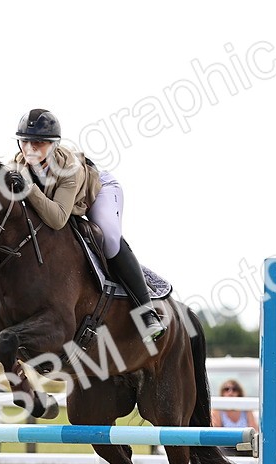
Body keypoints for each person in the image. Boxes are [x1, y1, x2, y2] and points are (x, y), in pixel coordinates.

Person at [9, 108, 166, 342]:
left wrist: (29, 189)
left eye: (39, 142)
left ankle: (147, 313)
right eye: (25, 142)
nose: (30, 148)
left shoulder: (69, 168)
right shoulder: (15, 166)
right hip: (63, 203)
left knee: (109, 237)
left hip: (97, 193)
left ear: (54, 144)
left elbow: (58, 218)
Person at [204, 380, 258, 464]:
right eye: (227, 389)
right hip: (225, 449)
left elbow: (255, 429)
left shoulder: (246, 409)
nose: (230, 392)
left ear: (239, 393)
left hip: (243, 448)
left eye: (234, 389)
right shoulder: (218, 409)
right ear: (222, 392)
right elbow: (215, 431)